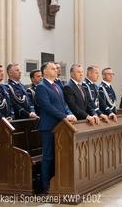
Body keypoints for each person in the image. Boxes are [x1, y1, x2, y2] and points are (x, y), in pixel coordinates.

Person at [35, 62, 77, 194]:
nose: (56, 70)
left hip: (60, 126)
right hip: (48, 126)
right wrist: (65, 116)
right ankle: (45, 185)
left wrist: (70, 113)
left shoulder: (57, 86)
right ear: (45, 72)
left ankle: (56, 181)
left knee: (57, 155)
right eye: (52, 69)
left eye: (56, 68)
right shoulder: (42, 87)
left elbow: (63, 104)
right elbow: (47, 106)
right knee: (47, 156)